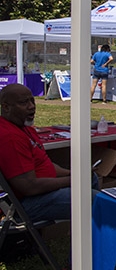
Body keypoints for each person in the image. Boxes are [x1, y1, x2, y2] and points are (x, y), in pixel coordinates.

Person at [0, 84, 73, 222]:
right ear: (6, 107)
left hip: (39, 193)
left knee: (90, 179)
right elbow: (29, 187)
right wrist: (72, 181)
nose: (31, 106)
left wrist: (71, 174)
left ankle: (83, 231)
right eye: (23, 103)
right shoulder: (10, 137)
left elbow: (44, 164)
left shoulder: (24, 128)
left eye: (32, 101)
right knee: (92, 199)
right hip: (21, 205)